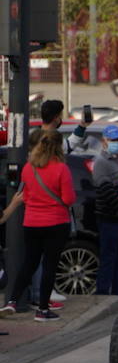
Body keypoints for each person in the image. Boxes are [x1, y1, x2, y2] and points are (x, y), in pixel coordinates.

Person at [0, 131, 75, 319]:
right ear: (57, 148)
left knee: (29, 263)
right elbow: (68, 199)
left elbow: (25, 193)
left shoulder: (28, 168)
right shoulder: (61, 169)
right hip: (56, 222)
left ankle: (12, 300)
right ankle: (42, 309)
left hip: (31, 222)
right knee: (49, 265)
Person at [93, 124, 118, 297]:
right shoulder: (101, 163)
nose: (116, 143)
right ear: (104, 141)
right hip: (110, 218)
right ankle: (103, 295)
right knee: (109, 259)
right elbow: (106, 192)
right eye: (112, 140)